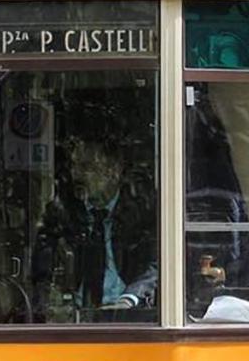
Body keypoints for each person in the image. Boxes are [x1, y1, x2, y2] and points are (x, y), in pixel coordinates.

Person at [33, 137, 158, 322]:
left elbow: (159, 265)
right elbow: (42, 268)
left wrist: (130, 299)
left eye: (87, 167)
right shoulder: (64, 211)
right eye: (74, 166)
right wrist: (49, 300)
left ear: (114, 171)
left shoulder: (142, 211)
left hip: (127, 318)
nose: (78, 175)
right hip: (74, 320)